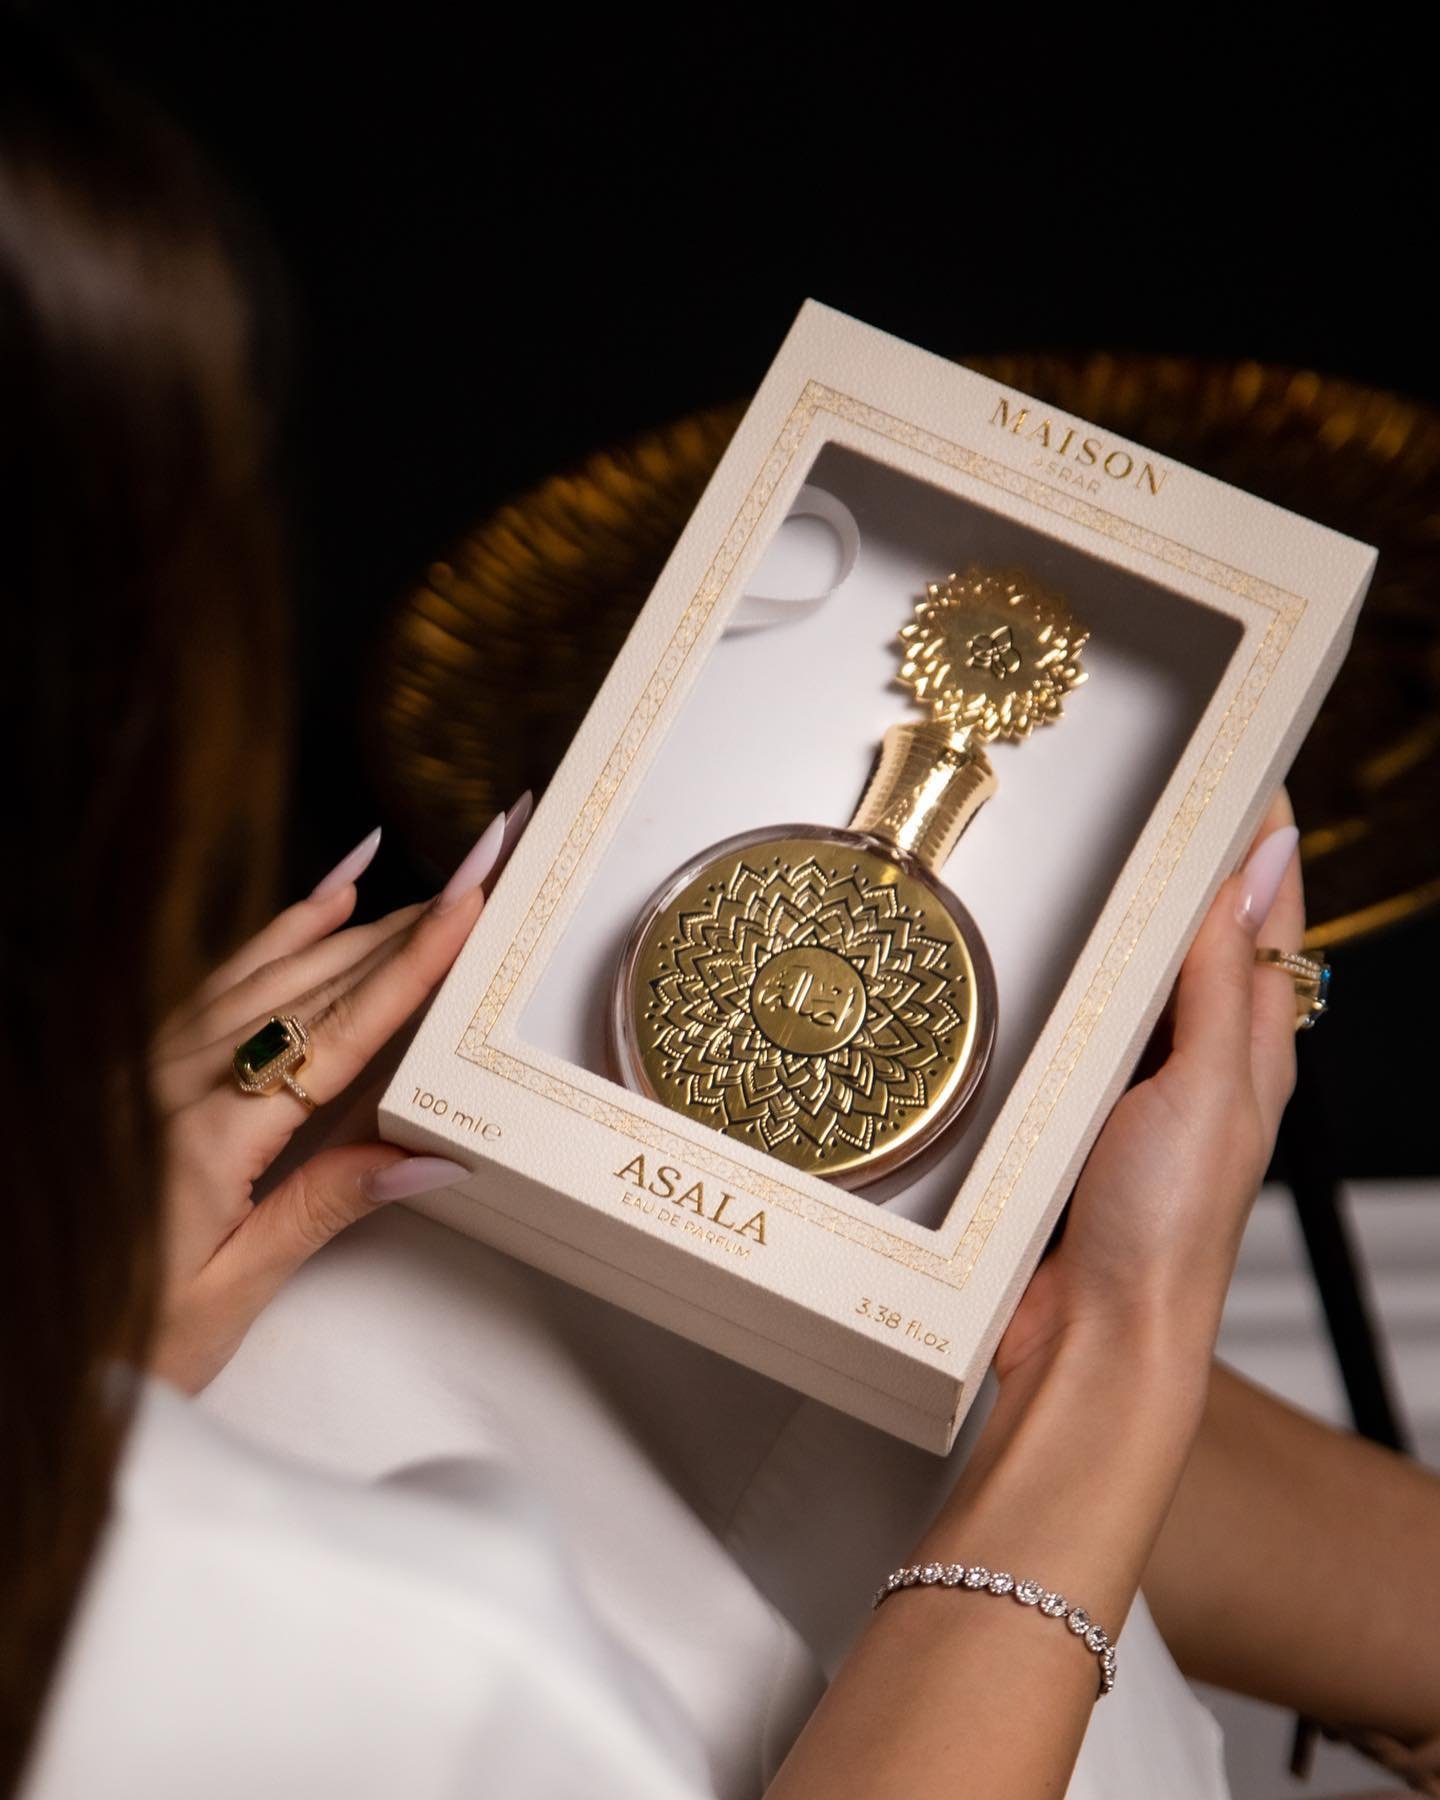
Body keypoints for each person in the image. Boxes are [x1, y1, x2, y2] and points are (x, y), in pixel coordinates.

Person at [4, 24, 1439, 1800]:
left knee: (522, 1253)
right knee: (480, 1284)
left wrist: (73, 1361)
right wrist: (1122, 1358)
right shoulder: (411, 1661)